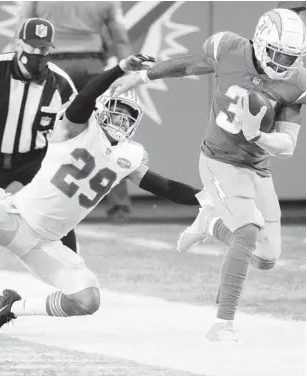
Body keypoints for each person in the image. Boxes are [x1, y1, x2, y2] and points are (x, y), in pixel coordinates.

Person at [111, 8, 306, 342]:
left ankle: (209, 224)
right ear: (259, 41)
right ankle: (222, 324)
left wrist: (257, 135)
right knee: (246, 233)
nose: (281, 63)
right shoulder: (229, 48)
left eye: (289, 57)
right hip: (218, 159)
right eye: (275, 52)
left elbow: (286, 145)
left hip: (257, 166)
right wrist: (142, 77)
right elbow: (189, 64)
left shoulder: (296, 81)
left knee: (266, 258)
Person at [0, 53, 201, 331]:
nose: (123, 120)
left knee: (87, 300)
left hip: (45, 243)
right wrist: (120, 69)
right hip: (14, 217)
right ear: (103, 108)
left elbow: (166, 187)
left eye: (129, 117)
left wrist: (207, 199)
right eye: (118, 111)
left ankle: (11, 309)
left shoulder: (129, 156)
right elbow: (85, 97)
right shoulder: (76, 128)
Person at [13, 1, 133, 223]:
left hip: (51, 66)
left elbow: (23, 29)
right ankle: (120, 208)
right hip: (92, 66)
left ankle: (35, 203)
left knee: (40, 132)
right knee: (107, 135)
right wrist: (128, 72)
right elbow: (120, 36)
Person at [0, 17, 79, 252]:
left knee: (58, 217)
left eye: (43, 48)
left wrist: (22, 181)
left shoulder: (60, 84)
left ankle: (72, 280)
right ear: (18, 43)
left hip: (32, 164)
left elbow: (71, 135)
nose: (37, 53)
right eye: (31, 46)